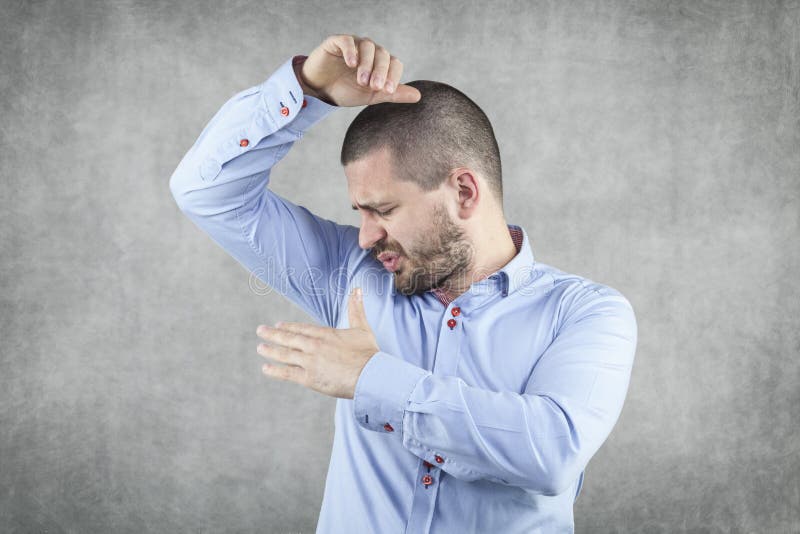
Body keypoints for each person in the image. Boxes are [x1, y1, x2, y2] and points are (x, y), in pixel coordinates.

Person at [169, 34, 638, 534]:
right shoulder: (350, 275)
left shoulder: (587, 313)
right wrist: (307, 91)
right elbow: (205, 192)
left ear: (463, 191)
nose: (368, 236)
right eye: (361, 212)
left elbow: (549, 453)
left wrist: (372, 379)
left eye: (385, 210)